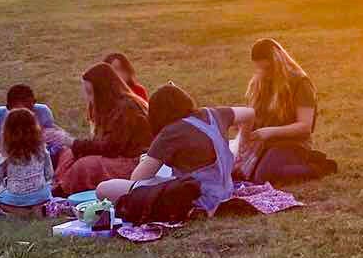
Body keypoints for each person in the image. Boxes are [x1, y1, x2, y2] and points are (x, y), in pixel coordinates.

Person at [97, 83, 254, 215]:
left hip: (197, 199)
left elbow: (138, 179)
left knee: (104, 189)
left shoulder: (171, 133)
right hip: (225, 191)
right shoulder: (215, 113)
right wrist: (242, 146)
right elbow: (250, 113)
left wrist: (146, 160)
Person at [235, 38, 337, 183]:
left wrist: (269, 132)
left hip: (292, 144)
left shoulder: (300, 83)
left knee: (265, 177)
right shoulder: (259, 82)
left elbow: (305, 127)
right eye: (259, 68)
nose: (264, 73)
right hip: (264, 145)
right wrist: (243, 127)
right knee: (236, 172)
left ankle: (319, 166)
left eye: (267, 68)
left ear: (278, 63)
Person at [47, 63, 152, 195]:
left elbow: (111, 147)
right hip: (116, 155)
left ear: (103, 90)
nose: (87, 97)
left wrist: (73, 142)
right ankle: (57, 185)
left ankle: (58, 193)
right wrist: (68, 141)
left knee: (86, 165)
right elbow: (99, 142)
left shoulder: (127, 108)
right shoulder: (105, 106)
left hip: (134, 162)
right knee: (68, 154)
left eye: (90, 92)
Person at [0, 84, 56, 176]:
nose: (24, 115)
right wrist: (9, 159)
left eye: (29, 109)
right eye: (18, 111)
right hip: (5, 159)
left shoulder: (43, 111)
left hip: (35, 159)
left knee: (58, 151)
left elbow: (51, 140)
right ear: (8, 107)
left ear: (34, 102)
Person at [0, 108, 54, 218]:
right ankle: (36, 210)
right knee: (43, 194)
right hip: (41, 196)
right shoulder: (41, 148)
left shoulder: (6, 153)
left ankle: (20, 212)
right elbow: (49, 174)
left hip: (16, 198)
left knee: (0, 198)